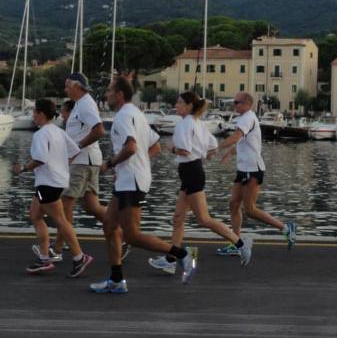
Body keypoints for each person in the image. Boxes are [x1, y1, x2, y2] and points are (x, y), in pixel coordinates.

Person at [90, 76, 197, 294]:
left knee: (132, 235)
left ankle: (182, 255)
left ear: (119, 95)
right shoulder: (136, 113)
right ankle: (117, 280)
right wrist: (134, 166)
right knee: (109, 226)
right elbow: (155, 146)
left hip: (132, 181)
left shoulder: (122, 117)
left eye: (110, 91)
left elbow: (130, 147)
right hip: (130, 178)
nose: (106, 95)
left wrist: (109, 164)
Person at [148, 92, 253, 273]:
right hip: (193, 172)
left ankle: (240, 244)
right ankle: (171, 259)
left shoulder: (184, 124)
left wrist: (172, 149)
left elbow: (184, 150)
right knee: (178, 218)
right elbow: (212, 147)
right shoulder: (197, 123)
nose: (176, 104)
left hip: (191, 172)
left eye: (180, 102)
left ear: (189, 106)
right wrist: (203, 158)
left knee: (204, 219)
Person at [13, 99, 95, 277]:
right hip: (54, 182)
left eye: (34, 112)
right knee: (35, 215)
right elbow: (74, 151)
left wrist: (23, 169)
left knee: (60, 220)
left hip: (47, 183)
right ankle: (44, 258)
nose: (33, 115)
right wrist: (61, 168)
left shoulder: (41, 134)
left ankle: (79, 258)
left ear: (41, 114)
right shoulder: (59, 131)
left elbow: (40, 159)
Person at [217, 92, 296, 256]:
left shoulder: (247, 118)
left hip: (253, 169)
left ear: (247, 104)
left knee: (250, 209)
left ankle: (286, 228)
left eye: (237, 102)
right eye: (234, 102)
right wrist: (230, 153)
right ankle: (236, 243)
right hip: (244, 169)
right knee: (233, 204)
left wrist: (216, 148)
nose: (235, 105)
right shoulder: (245, 117)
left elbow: (236, 136)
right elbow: (243, 142)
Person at [51, 73, 116, 261]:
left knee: (64, 206)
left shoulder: (86, 104)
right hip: (88, 161)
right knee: (92, 206)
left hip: (82, 161)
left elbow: (99, 130)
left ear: (76, 86)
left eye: (67, 86)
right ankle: (122, 234)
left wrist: (76, 147)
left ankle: (58, 249)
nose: (65, 90)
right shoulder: (81, 104)